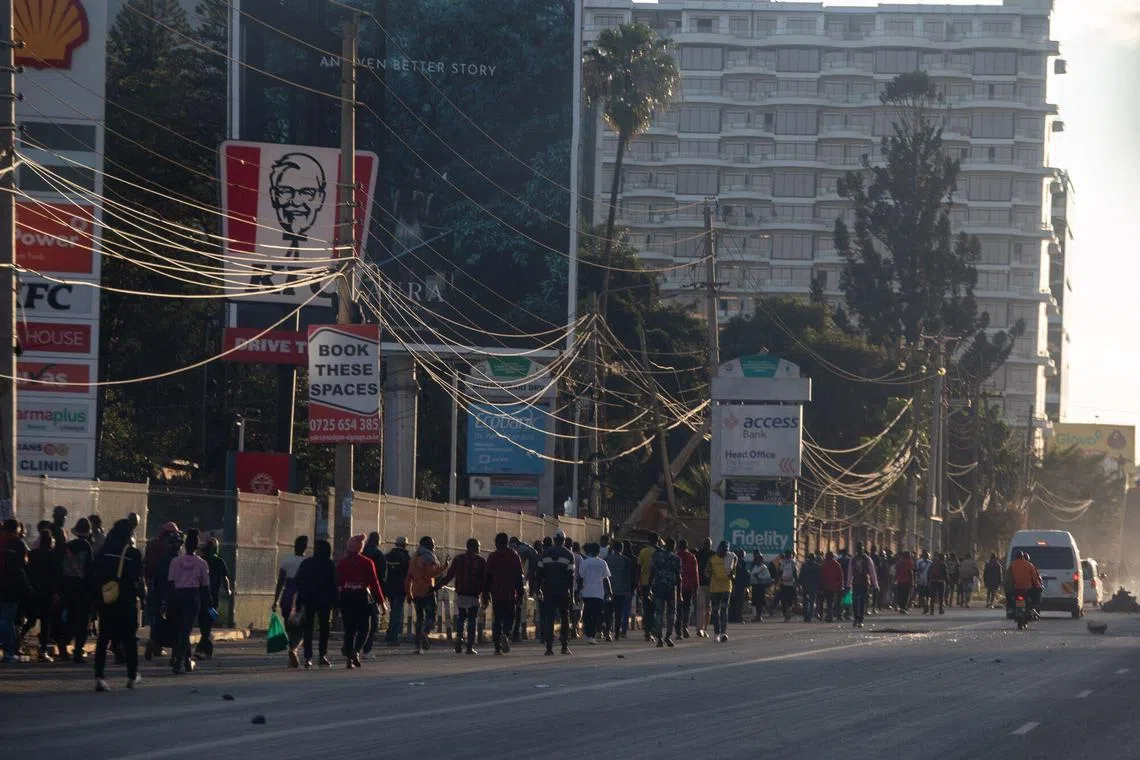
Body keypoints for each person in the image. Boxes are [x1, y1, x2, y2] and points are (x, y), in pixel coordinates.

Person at [93, 519, 145, 691]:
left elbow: (95, 574)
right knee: (130, 639)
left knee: (103, 638)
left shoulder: (104, 551)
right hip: (127, 601)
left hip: (106, 600)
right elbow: (138, 579)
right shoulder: (133, 554)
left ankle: (99, 677)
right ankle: (132, 676)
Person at [337, 534, 384, 668]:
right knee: (365, 628)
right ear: (360, 548)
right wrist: (381, 602)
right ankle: (356, 651)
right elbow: (374, 583)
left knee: (349, 629)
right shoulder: (367, 562)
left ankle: (349, 657)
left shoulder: (343, 562)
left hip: (346, 596)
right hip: (362, 596)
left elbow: (338, 580)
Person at [167, 531, 209, 675]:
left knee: (181, 630)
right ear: (197, 546)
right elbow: (205, 587)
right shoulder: (202, 563)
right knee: (185, 630)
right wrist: (208, 605)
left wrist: (168, 601)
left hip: (177, 595)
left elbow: (171, 582)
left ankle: (186, 659)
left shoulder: (175, 561)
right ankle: (179, 660)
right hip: (192, 597)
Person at [438, 538, 488, 655]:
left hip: (461, 593)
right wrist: (486, 594)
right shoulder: (480, 561)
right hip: (474, 594)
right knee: (472, 620)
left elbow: (449, 576)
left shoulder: (459, 559)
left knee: (461, 617)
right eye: (478, 546)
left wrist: (438, 586)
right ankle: (469, 646)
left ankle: (459, 639)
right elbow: (486, 580)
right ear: (475, 547)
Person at [295, 539, 337, 669]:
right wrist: (335, 601)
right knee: (324, 628)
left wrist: (300, 599)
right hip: (324, 600)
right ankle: (322, 655)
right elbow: (334, 584)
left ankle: (308, 657)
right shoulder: (329, 564)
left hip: (308, 599)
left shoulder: (307, 563)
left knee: (308, 628)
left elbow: (299, 581)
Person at [59, 517, 96, 662]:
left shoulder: (68, 546)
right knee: (82, 622)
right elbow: (90, 569)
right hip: (83, 588)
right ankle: (78, 651)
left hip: (68, 586)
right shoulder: (87, 546)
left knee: (70, 618)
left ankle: (63, 641)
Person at [406, 536, 449, 654]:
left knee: (419, 618)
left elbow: (408, 577)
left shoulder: (414, 558)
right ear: (426, 544)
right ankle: (424, 634)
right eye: (432, 543)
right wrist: (444, 566)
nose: (434, 546)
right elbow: (431, 573)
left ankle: (417, 646)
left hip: (416, 591)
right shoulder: (428, 557)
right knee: (431, 616)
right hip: (427, 590)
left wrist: (408, 593)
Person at [271, 535, 308, 668]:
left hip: (287, 596)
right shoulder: (307, 561)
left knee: (290, 627)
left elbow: (280, 582)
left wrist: (275, 600)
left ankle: (292, 652)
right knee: (302, 628)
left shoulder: (286, 560)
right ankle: (294, 649)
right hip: (301, 597)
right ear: (306, 547)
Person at [537, 532, 576, 655]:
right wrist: (572, 596)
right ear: (564, 540)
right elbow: (571, 578)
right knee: (564, 618)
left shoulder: (544, 554)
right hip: (563, 591)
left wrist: (538, 589)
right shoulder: (569, 555)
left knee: (549, 618)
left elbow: (539, 574)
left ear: (554, 540)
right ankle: (564, 646)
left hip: (548, 590)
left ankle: (549, 648)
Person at [485, 533, 523, 655]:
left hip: (496, 593)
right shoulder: (514, 555)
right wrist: (520, 593)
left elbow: (488, 577)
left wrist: (485, 593)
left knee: (497, 619)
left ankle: (497, 647)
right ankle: (505, 634)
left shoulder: (492, 557)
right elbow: (518, 577)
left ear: (496, 543)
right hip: (510, 593)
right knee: (509, 618)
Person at [27, 527, 59, 661]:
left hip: (34, 590)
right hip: (48, 592)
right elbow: (56, 575)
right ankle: (43, 650)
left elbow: (28, 571)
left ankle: (19, 639)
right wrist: (56, 592)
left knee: (31, 619)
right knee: (46, 622)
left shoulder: (33, 554)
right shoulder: (53, 556)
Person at [195, 538, 231, 660]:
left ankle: (204, 648)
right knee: (208, 622)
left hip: (200, 596)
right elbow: (225, 578)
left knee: (203, 623)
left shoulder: (201, 561)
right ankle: (204, 648)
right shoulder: (219, 561)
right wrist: (228, 591)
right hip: (212, 598)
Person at [0, 524, 31, 663]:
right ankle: (8, 652)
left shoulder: (2, 542)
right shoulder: (19, 544)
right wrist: (27, 587)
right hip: (11, 587)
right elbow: (22, 568)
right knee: (7, 619)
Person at [576, 543, 612, 645]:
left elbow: (580, 578)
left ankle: (588, 633)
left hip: (587, 592)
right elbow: (606, 579)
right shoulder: (602, 563)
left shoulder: (585, 562)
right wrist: (609, 591)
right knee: (596, 614)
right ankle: (591, 634)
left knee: (587, 613)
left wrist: (578, 591)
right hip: (598, 593)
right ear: (598, 552)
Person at [648, 538, 680, 647]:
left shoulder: (656, 555)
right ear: (673, 547)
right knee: (672, 613)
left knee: (659, 613)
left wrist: (649, 588)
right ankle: (668, 636)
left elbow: (651, 572)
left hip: (658, 587)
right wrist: (679, 594)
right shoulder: (676, 558)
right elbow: (679, 577)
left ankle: (659, 638)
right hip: (671, 589)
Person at [361, 532, 386, 658]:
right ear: (378, 541)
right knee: (373, 622)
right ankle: (366, 650)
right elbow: (380, 578)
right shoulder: (379, 555)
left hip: (357, 591)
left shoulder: (360, 553)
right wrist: (382, 597)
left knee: (358, 622)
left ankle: (353, 647)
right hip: (372, 594)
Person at [509, 536, 537, 642]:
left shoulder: (503, 550)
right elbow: (534, 553)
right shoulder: (522, 549)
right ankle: (518, 632)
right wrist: (530, 573)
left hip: (505, 583)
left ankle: (506, 632)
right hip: (520, 581)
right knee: (520, 608)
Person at [383, 537, 411, 645]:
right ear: (405, 545)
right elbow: (408, 574)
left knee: (393, 611)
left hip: (389, 588)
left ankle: (390, 634)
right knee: (397, 612)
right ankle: (393, 637)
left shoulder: (388, 555)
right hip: (400, 588)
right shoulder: (406, 557)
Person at [707, 541, 736, 643]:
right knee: (715, 611)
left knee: (724, 609)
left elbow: (733, 573)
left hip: (726, 588)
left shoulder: (731, 558)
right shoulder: (712, 559)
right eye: (723, 550)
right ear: (718, 549)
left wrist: (731, 575)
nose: (724, 553)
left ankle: (723, 633)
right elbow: (707, 573)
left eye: (726, 551)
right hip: (715, 588)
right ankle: (716, 633)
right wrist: (710, 573)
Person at [604, 540, 633, 640]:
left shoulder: (607, 559)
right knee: (618, 613)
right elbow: (627, 576)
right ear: (622, 549)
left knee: (608, 612)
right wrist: (628, 589)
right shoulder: (625, 560)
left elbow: (604, 576)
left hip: (608, 590)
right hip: (620, 590)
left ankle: (607, 632)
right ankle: (616, 633)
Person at [846, 543, 879, 628]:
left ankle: (860, 619)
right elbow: (850, 572)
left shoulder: (868, 559)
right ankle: (856, 618)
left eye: (861, 549)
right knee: (855, 601)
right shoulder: (852, 559)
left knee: (862, 601)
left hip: (864, 583)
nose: (860, 551)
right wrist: (848, 584)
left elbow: (872, 572)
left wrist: (875, 585)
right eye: (858, 549)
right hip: (856, 583)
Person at [1007, 550, 1043, 615]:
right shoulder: (1029, 565)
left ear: (1016, 557)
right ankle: (1032, 608)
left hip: (1017, 588)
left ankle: (1011, 609)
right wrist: (1038, 586)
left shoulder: (1012, 565)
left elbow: (1008, 578)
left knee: (1010, 597)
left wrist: (1009, 587)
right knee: (1036, 597)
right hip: (1027, 588)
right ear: (1023, 557)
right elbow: (1035, 578)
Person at [637, 534, 659, 641]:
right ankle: (652, 630)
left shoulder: (643, 552)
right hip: (656, 584)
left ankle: (647, 632)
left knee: (646, 609)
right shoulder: (659, 552)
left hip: (645, 583)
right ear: (657, 541)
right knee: (654, 609)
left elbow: (639, 568)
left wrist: (638, 583)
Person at [676, 539, 698, 639]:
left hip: (676, 586)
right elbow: (695, 573)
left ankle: (678, 630)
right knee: (686, 607)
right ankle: (684, 626)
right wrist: (696, 587)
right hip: (688, 586)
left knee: (677, 608)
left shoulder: (675, 556)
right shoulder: (691, 557)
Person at [694, 537, 713, 638]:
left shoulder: (714, 555)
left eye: (708, 544)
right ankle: (699, 628)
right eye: (706, 543)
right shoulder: (698, 554)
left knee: (708, 608)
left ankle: (705, 628)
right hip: (700, 584)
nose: (707, 545)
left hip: (710, 584)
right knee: (700, 607)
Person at [820, 551, 844, 622]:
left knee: (828, 601)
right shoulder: (837, 565)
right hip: (834, 586)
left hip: (826, 585)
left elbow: (821, 576)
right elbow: (840, 576)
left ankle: (829, 615)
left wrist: (821, 585)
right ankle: (830, 615)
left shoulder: (824, 565)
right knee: (832, 601)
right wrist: (840, 586)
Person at [749, 551, 772, 622]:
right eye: (757, 559)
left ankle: (759, 616)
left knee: (760, 602)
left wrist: (758, 578)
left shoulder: (763, 567)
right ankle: (756, 616)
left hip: (760, 586)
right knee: (754, 602)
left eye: (759, 559)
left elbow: (767, 577)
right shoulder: (755, 566)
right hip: (754, 586)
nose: (757, 560)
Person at [777, 550, 799, 622]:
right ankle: (788, 613)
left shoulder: (781, 562)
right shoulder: (793, 562)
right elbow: (795, 572)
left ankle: (786, 613)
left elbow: (779, 572)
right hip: (791, 583)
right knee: (789, 600)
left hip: (783, 583)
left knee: (784, 599)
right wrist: (796, 582)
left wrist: (778, 581)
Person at [799, 551, 820, 623]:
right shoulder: (817, 566)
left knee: (806, 602)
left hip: (806, 586)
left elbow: (801, 576)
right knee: (811, 602)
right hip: (812, 587)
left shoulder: (804, 565)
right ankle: (809, 615)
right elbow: (819, 578)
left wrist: (800, 585)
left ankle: (806, 616)